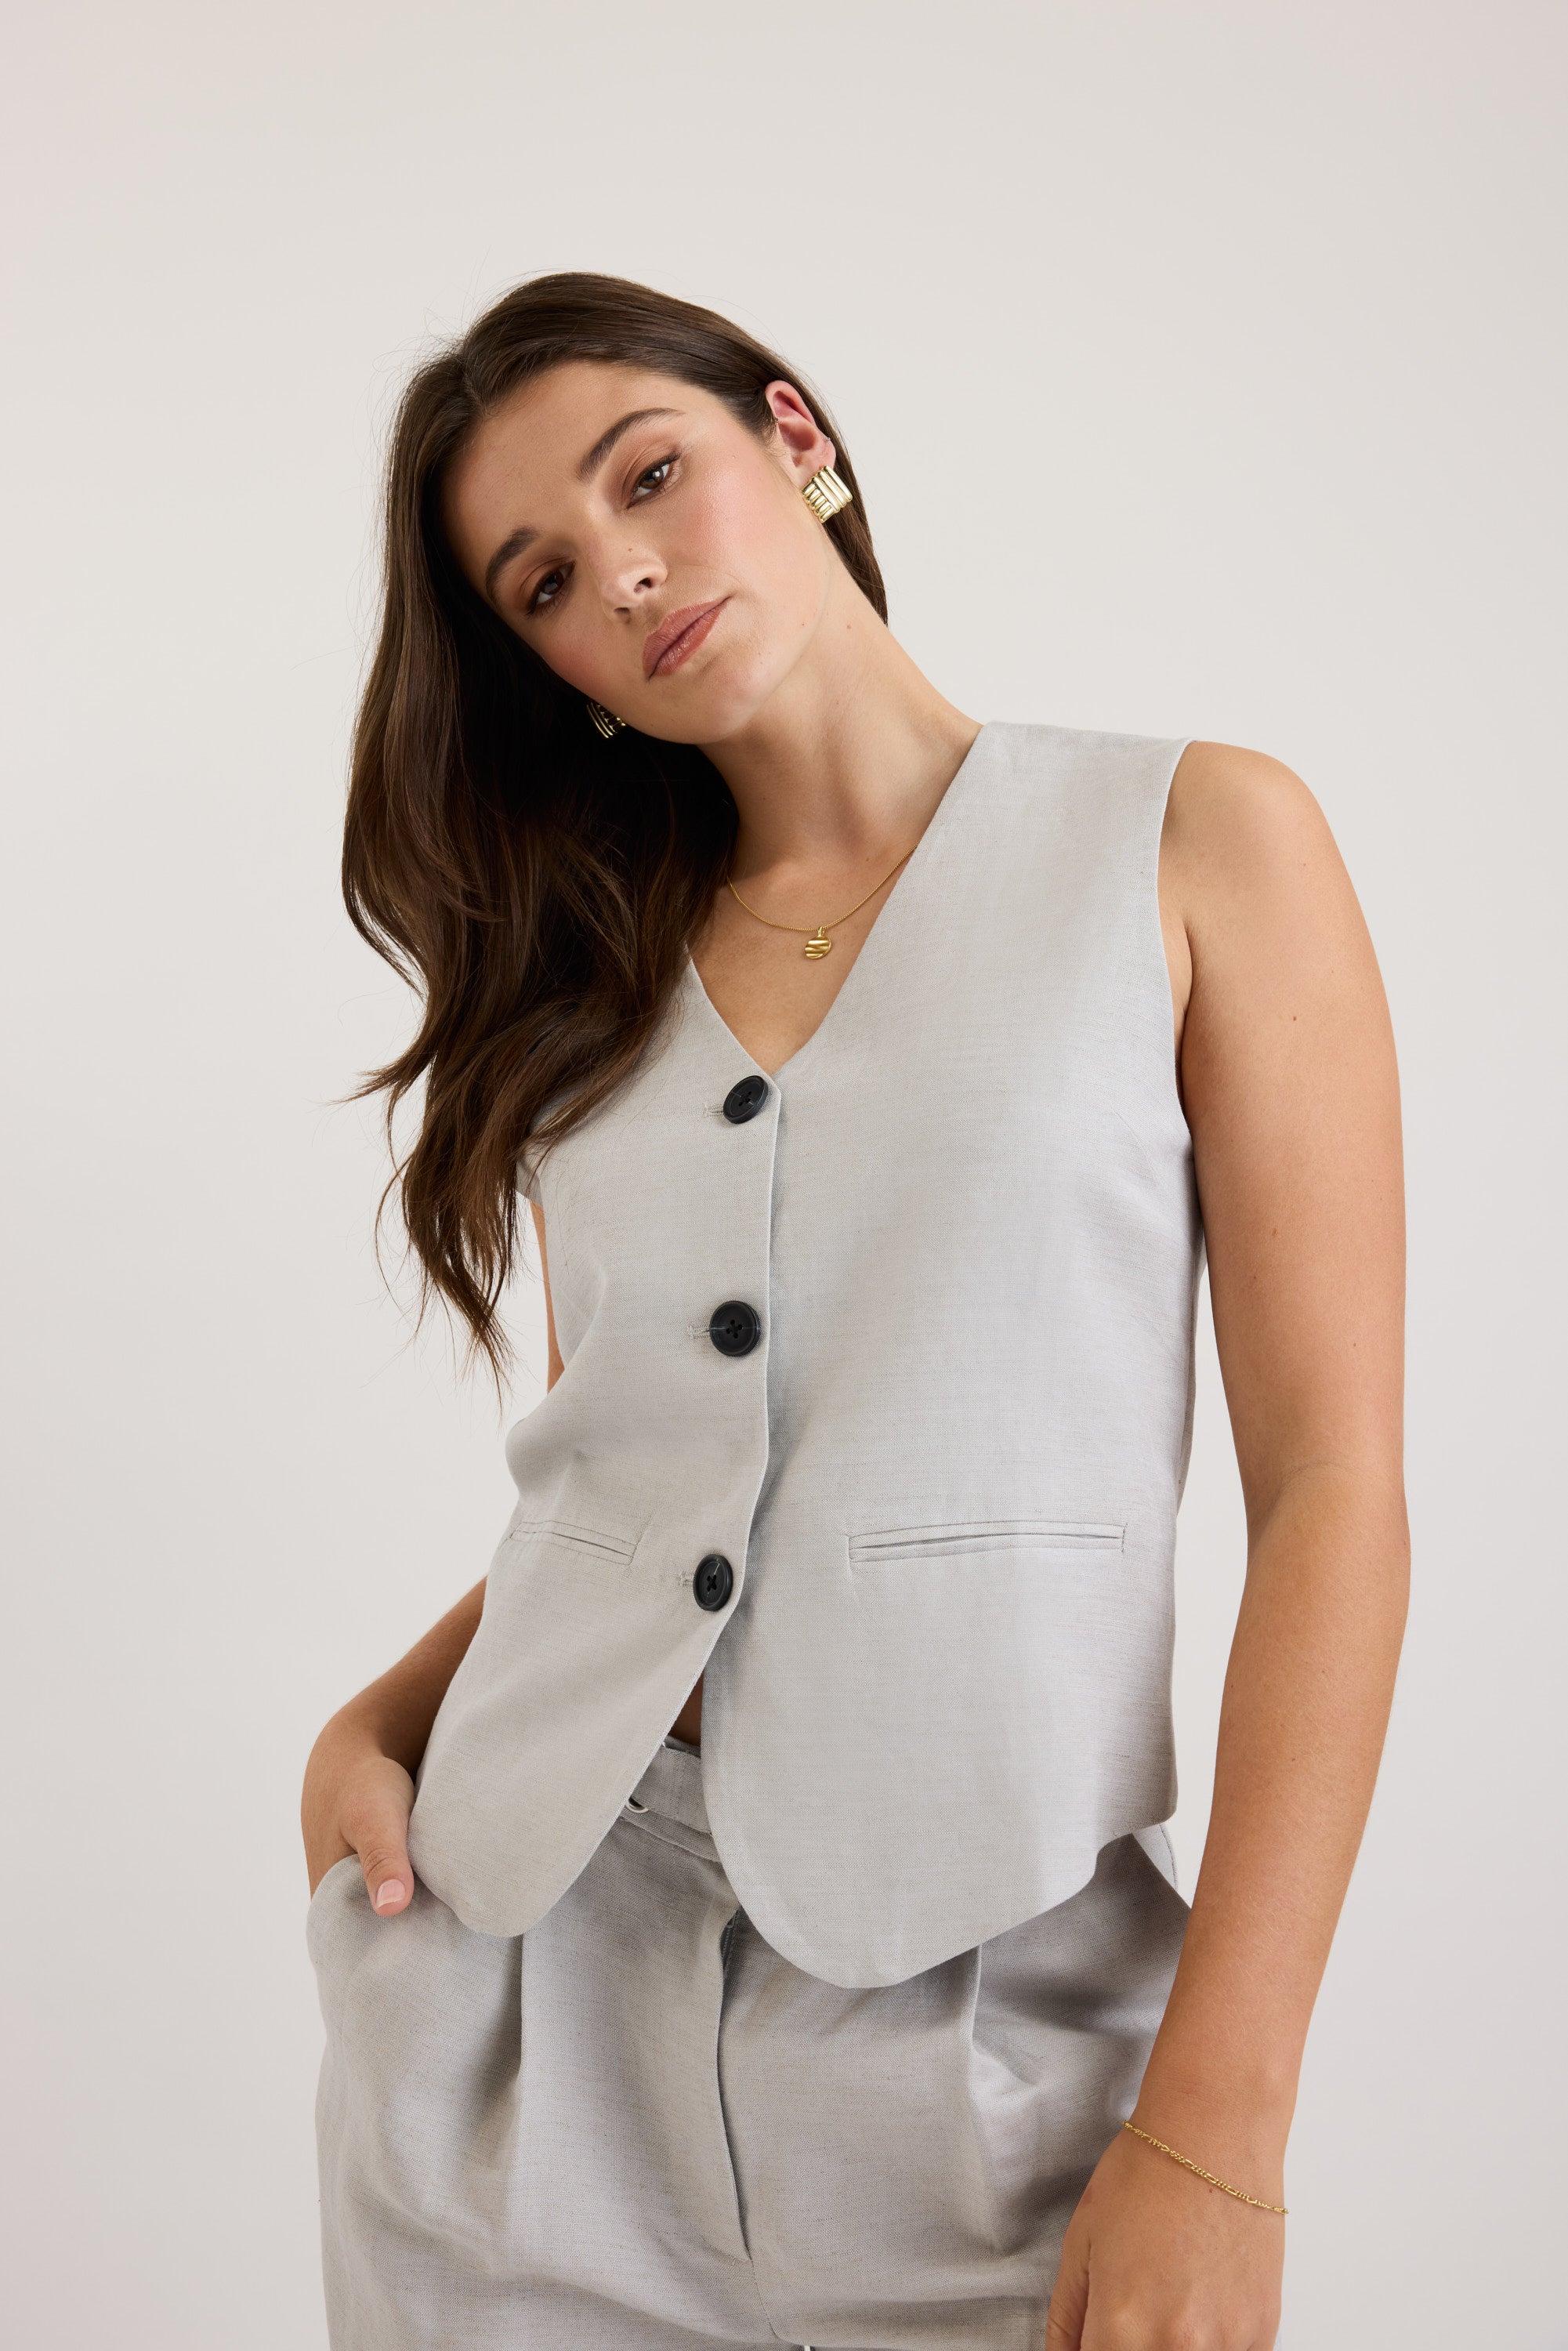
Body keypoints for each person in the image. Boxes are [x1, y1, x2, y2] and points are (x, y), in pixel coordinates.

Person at [301, 271, 1408, 2351]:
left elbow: (1334, 1487)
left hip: (995, 2014)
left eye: (654, 474)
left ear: (793, 441)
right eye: (543, 578)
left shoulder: (1191, 838)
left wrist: (1217, 2126)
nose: (622, 572)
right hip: (525, 1996)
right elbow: (639, 1484)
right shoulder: (592, 985)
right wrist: (378, 1721)